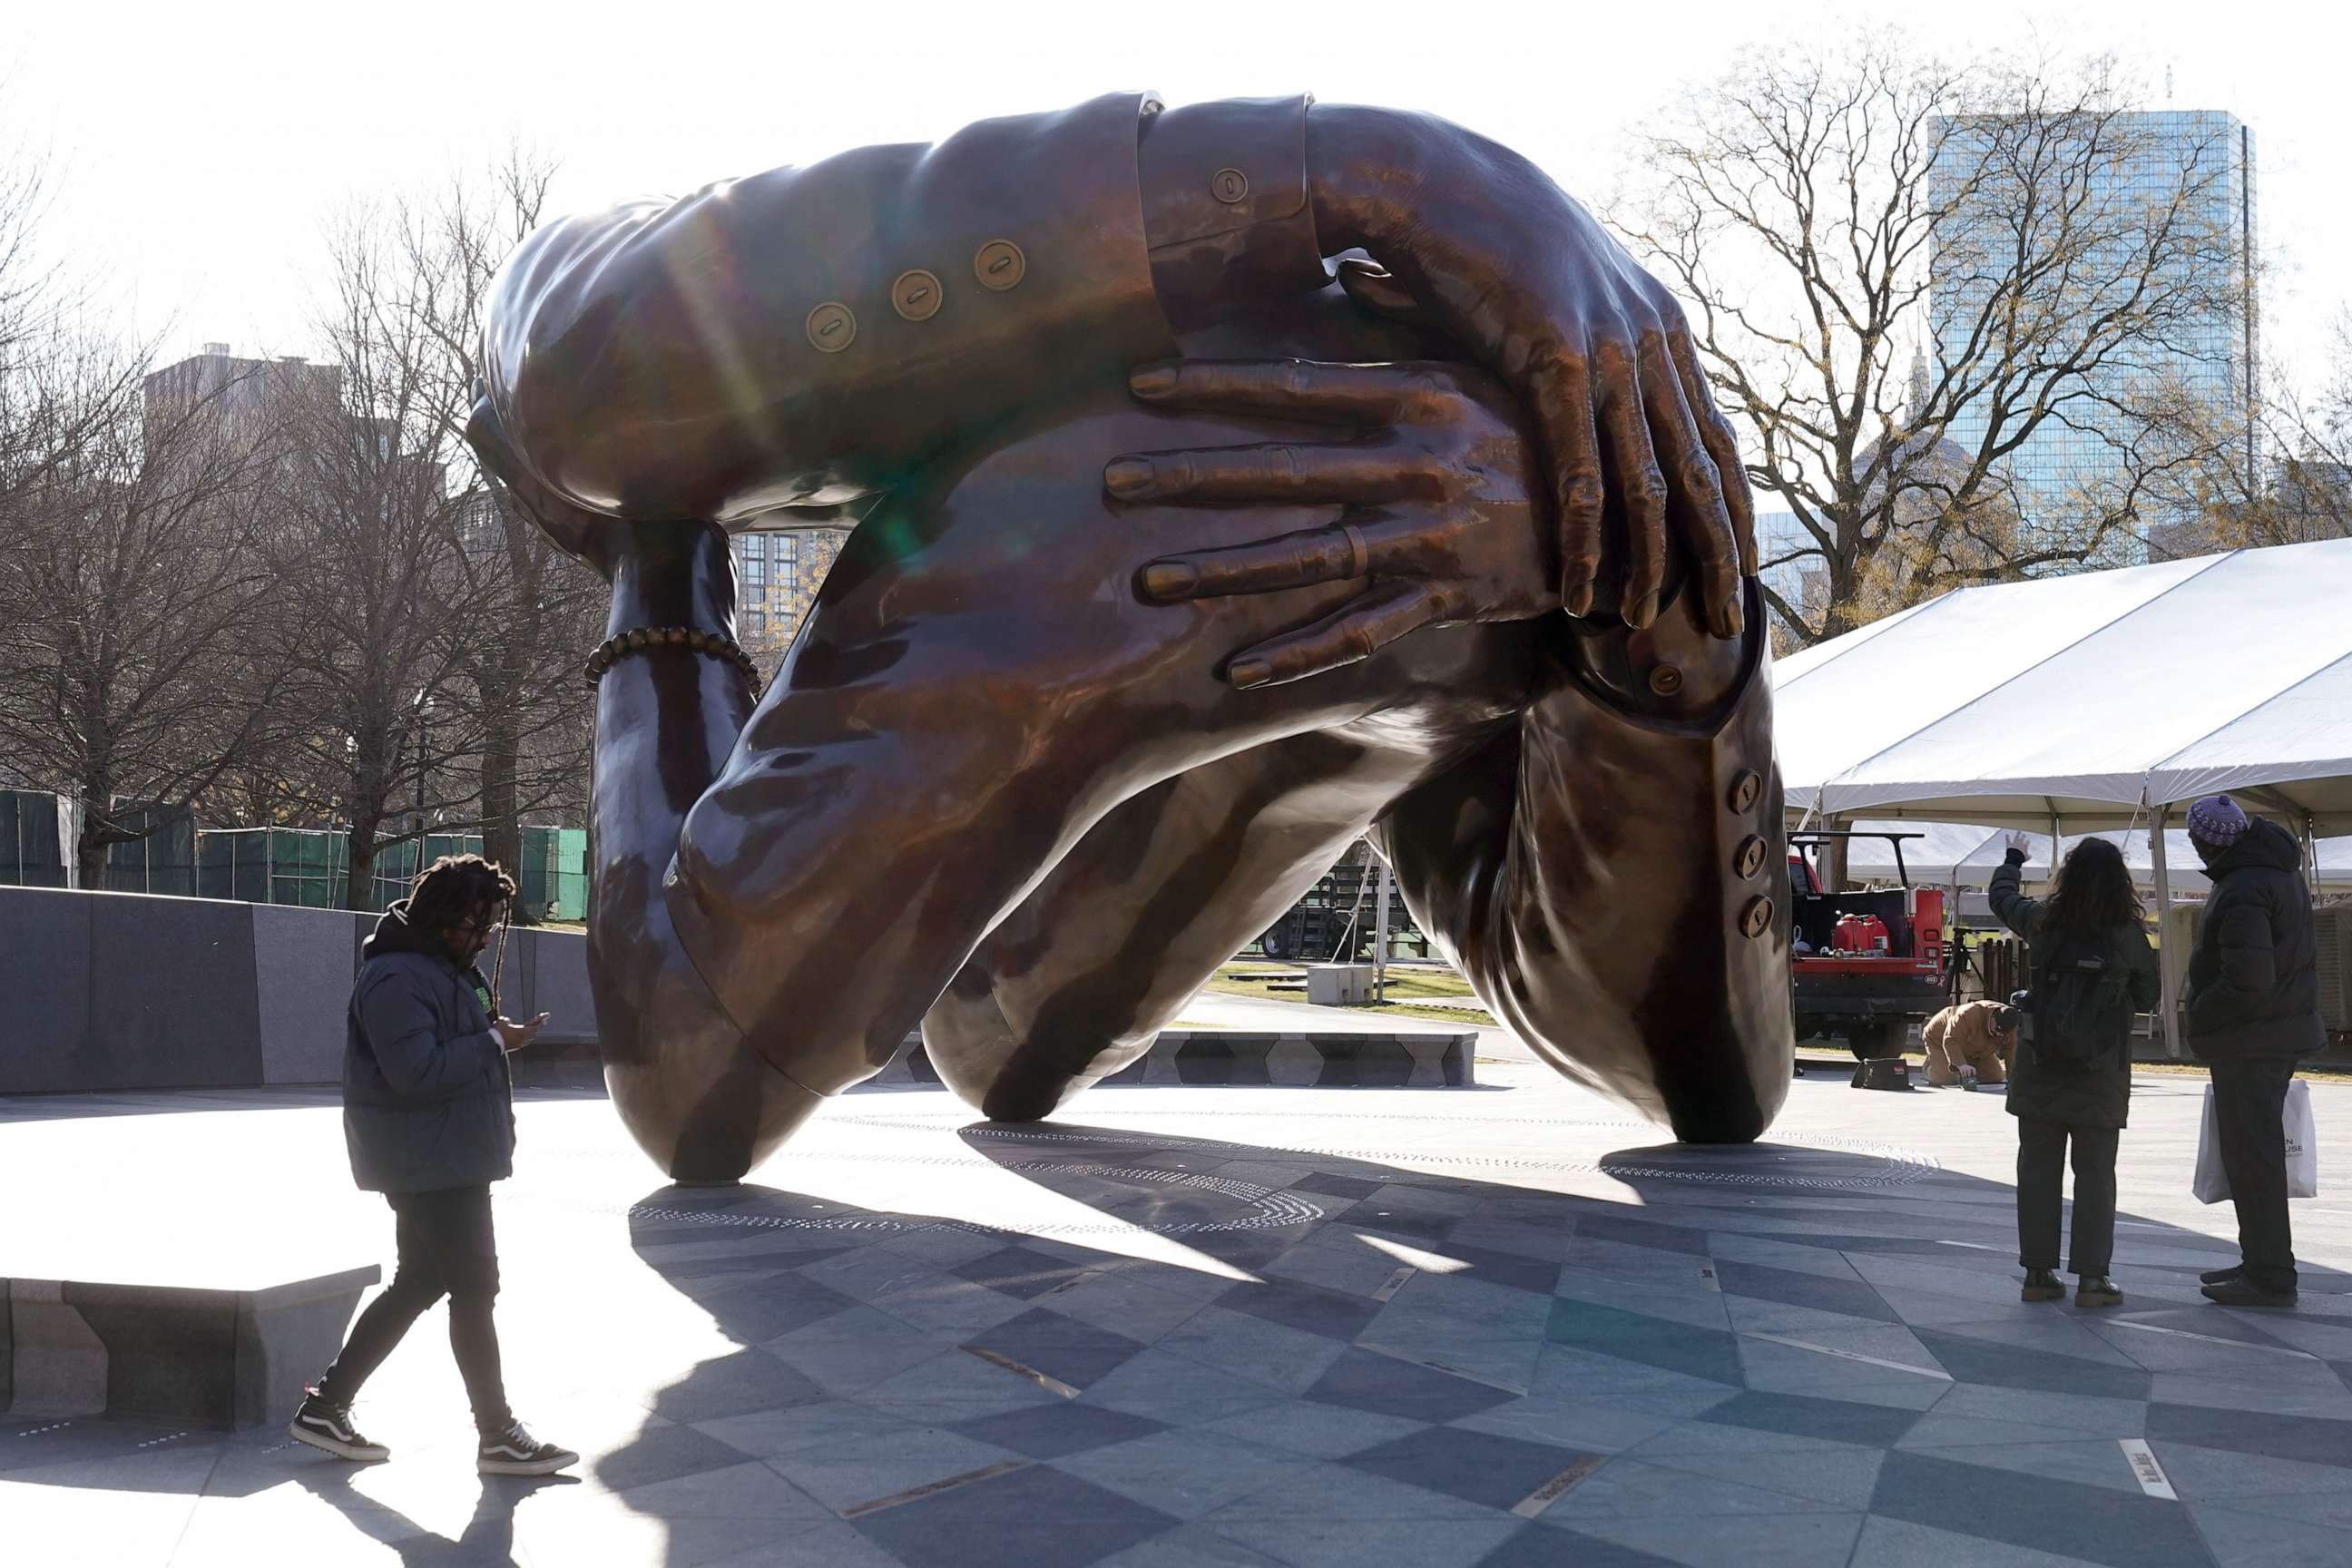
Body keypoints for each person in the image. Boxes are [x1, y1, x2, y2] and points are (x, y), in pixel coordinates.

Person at [469, 93, 1793, 1184]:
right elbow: (569, 373)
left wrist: (1644, 576)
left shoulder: (1113, 534)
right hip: (1148, 518)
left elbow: (1700, 1074)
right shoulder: (1036, 490)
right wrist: (1363, 173)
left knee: (985, 1040)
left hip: (1233, 564)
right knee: (981, 1035)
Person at [289, 855, 579, 1475]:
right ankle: (497, 1433)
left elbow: (444, 1051)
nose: (486, 935)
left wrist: (493, 1034)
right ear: (447, 919)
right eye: (479, 922)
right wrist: (494, 1041)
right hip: (429, 1163)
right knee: (475, 1289)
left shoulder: (440, 971)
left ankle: (327, 1405)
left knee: (420, 1281)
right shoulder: (397, 977)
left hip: (445, 1157)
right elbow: (415, 1073)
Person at [1990, 834, 2157, 1308]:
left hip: (2041, 1064)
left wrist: (2013, 859)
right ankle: (2093, 1280)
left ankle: (2038, 1275)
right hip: (2100, 1070)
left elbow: (2001, 899)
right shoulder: (2127, 933)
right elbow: (2147, 998)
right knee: (2096, 1174)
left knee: (2038, 1170)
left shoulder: (2045, 921)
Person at [2182, 794, 2325, 1308]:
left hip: (2252, 1040)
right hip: (2272, 1034)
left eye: (2193, 836)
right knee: (2253, 1155)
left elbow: (2249, 979)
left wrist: (2198, 1013)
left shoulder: (2243, 886)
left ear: (2207, 840)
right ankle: (2262, 1262)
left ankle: (2268, 1272)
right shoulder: (2273, 871)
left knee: (2254, 1157)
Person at [1922, 999, 2014, 1088]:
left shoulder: (2011, 1024)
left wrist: (2013, 1079)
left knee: (1995, 1077)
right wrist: (1961, 1064)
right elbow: (1951, 1040)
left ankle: (1962, 1064)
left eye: (2003, 1034)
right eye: (1997, 1029)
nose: (1999, 1034)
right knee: (1945, 1079)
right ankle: (1931, 1064)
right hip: (1940, 1040)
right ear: (1993, 1018)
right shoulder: (1967, 1014)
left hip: (1977, 1049)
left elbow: (2011, 1052)